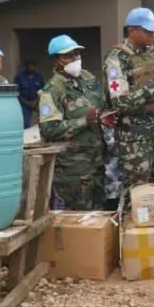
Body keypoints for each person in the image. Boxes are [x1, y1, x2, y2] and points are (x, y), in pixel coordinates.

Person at [104, 8, 154, 188]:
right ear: (131, 31)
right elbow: (119, 102)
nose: (152, 34)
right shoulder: (117, 59)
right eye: (147, 31)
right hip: (135, 136)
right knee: (138, 190)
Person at [38, 35, 111, 210]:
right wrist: (84, 121)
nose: (75, 59)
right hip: (73, 170)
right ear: (56, 60)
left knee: (100, 214)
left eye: (77, 54)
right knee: (80, 219)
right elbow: (48, 129)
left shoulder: (87, 79)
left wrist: (104, 117)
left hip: (97, 163)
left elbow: (98, 106)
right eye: (68, 56)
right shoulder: (52, 90)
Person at [14, 60, 45, 129]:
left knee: (45, 119)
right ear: (25, 66)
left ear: (34, 66)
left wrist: (37, 101)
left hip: (37, 102)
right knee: (25, 123)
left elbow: (43, 90)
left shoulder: (39, 77)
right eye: (28, 65)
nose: (30, 67)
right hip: (24, 103)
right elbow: (16, 92)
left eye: (32, 65)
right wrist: (25, 102)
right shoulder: (19, 77)